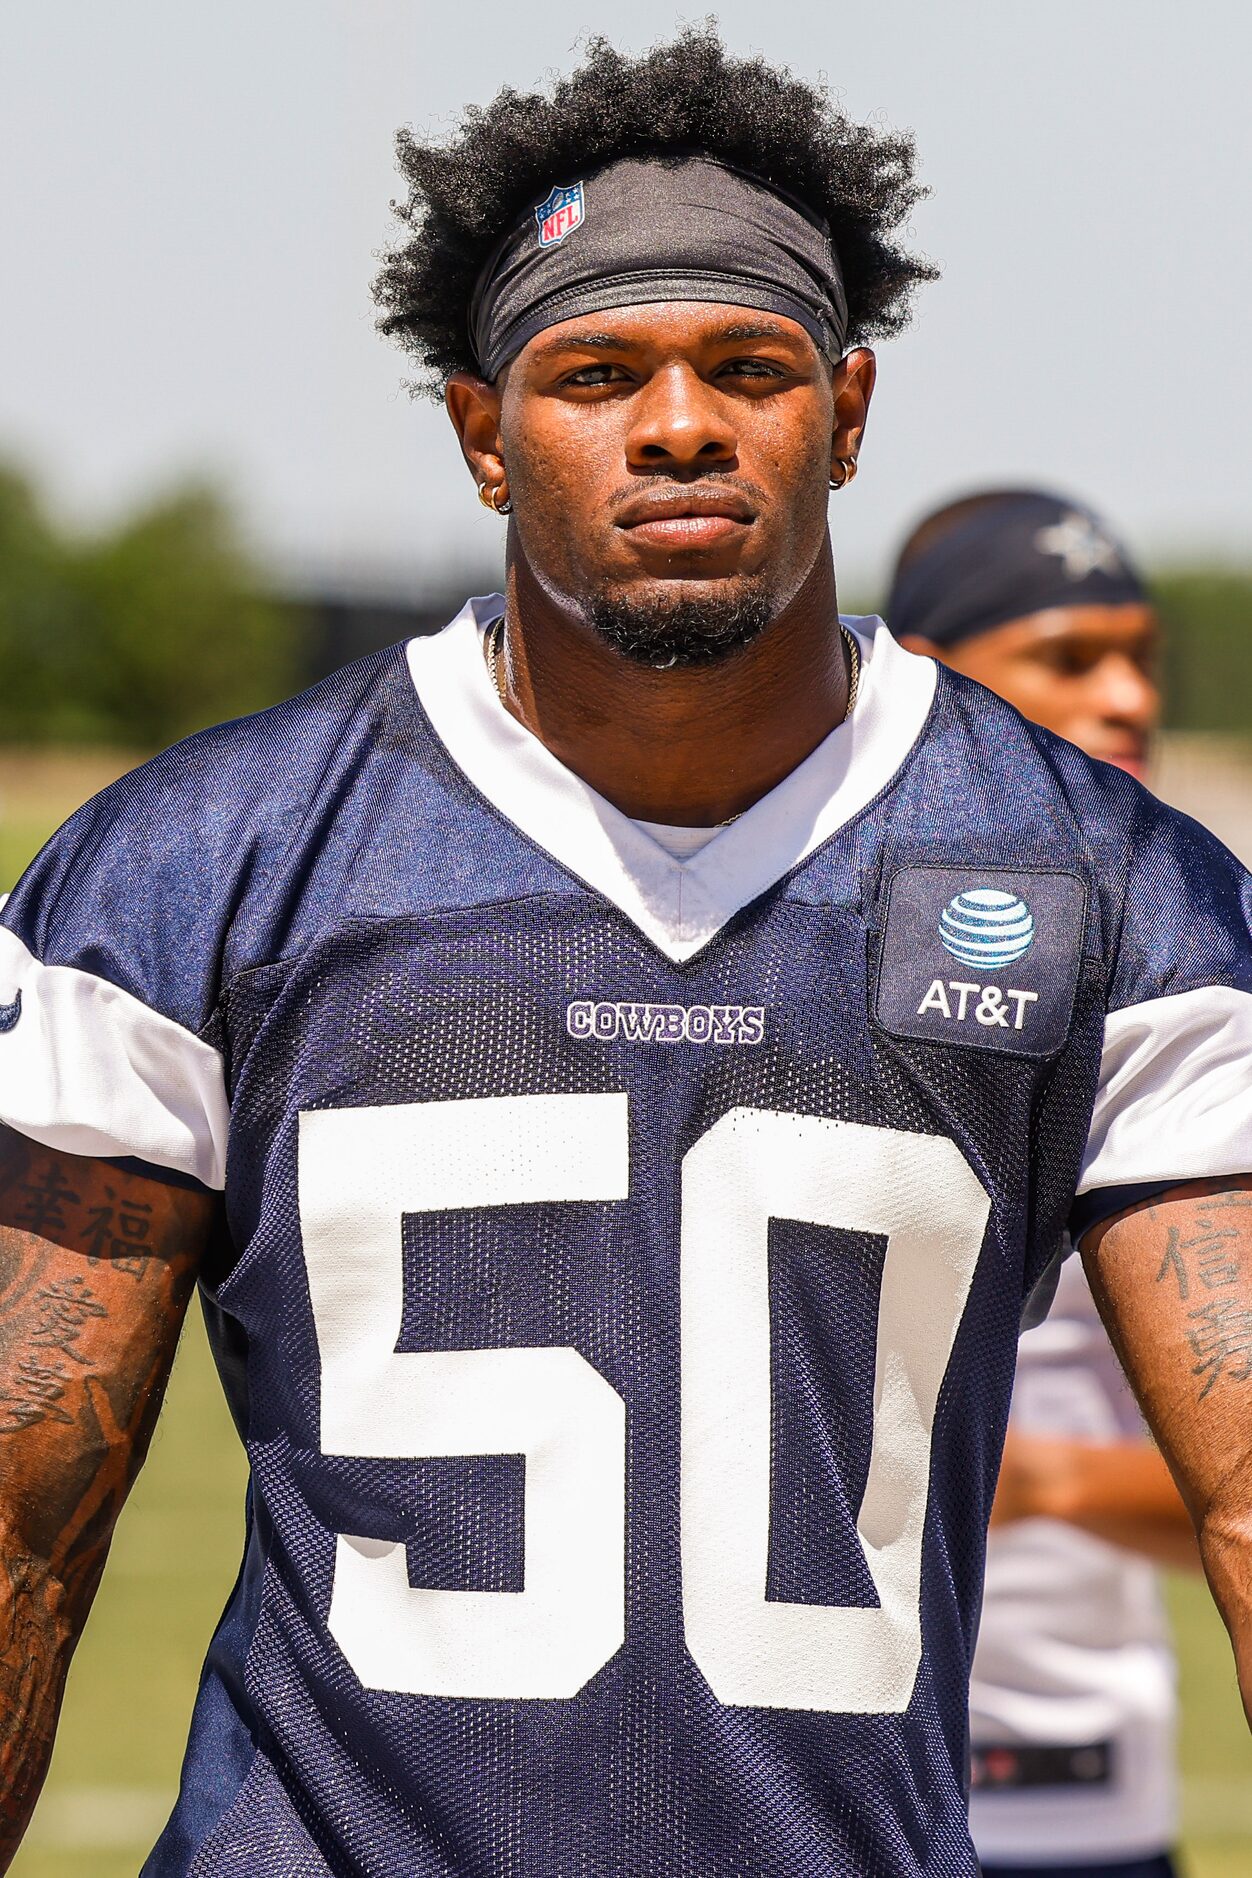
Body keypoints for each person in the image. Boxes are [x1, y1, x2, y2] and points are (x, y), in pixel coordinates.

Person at [2, 29, 1252, 1878]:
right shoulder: (197, 870)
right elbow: (21, 1522)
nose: (680, 425)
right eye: (598, 371)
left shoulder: (1109, 886)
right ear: (484, 428)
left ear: (847, 409)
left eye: (749, 368)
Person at [887, 491, 1194, 1878]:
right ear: (933, 676)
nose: (1127, 696)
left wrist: (1047, 1476)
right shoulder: (795, 978)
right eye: (1067, 657)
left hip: (1084, 1794)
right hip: (807, 1792)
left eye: (1139, 653)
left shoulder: (1187, 1017)